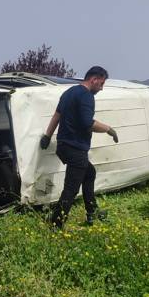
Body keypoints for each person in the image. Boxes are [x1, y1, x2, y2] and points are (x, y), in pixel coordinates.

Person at [40, 66, 119, 228]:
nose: (102, 88)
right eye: (101, 84)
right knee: (71, 188)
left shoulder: (69, 93)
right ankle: (55, 223)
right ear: (94, 79)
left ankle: (92, 210)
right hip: (75, 148)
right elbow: (87, 123)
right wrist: (109, 129)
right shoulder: (86, 96)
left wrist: (47, 136)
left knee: (89, 173)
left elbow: (57, 115)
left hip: (64, 146)